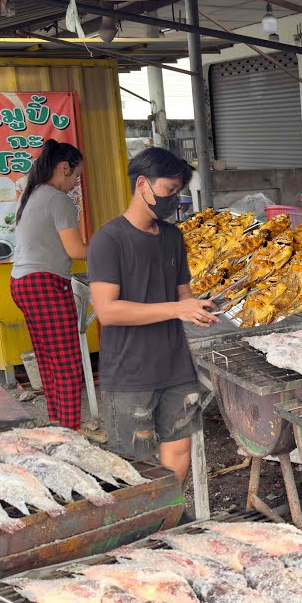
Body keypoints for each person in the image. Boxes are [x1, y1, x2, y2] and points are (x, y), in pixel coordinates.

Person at [88, 148, 217, 482]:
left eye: (177, 192)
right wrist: (177, 309)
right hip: (130, 372)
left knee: (179, 452)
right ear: (142, 184)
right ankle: (146, 526)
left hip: (175, 365)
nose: (173, 200)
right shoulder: (108, 240)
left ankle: (171, 516)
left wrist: (200, 307)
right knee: (137, 468)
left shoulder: (173, 237)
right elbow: (108, 311)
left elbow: (182, 295)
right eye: (168, 191)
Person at [9, 140, 88, 431]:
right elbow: (76, 251)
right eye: (76, 176)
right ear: (64, 168)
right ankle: (70, 434)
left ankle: (58, 424)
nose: (76, 184)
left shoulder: (33, 193)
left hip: (21, 283)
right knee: (67, 365)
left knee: (49, 360)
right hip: (44, 284)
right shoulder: (57, 198)